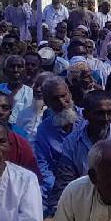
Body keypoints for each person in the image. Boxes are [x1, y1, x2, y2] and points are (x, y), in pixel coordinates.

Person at [47, 90, 111, 216]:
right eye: (99, 113)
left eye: (109, 113)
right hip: (82, 206)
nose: (105, 119)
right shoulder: (72, 142)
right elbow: (65, 180)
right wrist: (57, 211)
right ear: (86, 114)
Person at [34, 76, 82, 206]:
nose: (61, 103)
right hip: (57, 187)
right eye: (55, 99)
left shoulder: (87, 119)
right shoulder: (44, 130)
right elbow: (43, 166)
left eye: (63, 96)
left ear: (70, 94)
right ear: (46, 102)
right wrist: (61, 189)